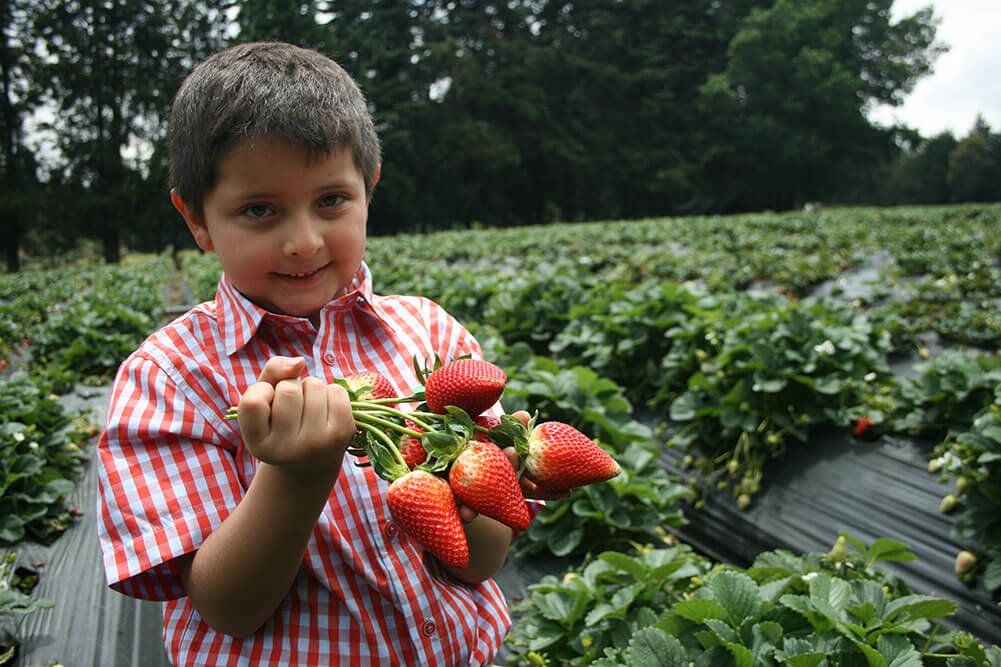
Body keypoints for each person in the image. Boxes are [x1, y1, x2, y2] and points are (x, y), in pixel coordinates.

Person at [96, 41, 550, 666]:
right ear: (196, 219)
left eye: (331, 201)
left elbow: (480, 563)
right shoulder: (170, 381)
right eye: (259, 210)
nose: (303, 242)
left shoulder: (430, 336)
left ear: (369, 189)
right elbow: (228, 609)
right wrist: (293, 476)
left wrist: (475, 491)